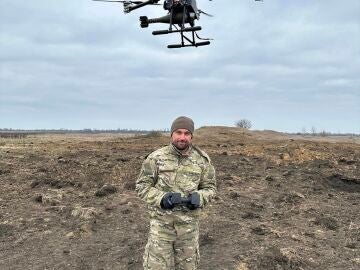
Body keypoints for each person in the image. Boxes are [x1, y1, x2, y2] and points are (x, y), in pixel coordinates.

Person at [136, 116, 216, 270]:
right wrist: (161, 198)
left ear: (191, 136)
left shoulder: (203, 160)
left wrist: (200, 197)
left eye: (187, 133)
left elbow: (210, 188)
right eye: (178, 132)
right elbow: (142, 186)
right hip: (161, 227)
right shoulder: (156, 158)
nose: (182, 137)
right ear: (171, 134)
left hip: (188, 229)